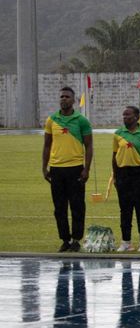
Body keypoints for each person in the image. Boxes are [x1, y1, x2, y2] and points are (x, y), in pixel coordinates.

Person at [42, 87, 93, 252]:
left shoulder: (81, 121)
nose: (63, 99)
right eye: (61, 96)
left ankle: (76, 239)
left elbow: (89, 146)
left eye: (67, 97)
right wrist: (45, 167)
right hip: (56, 169)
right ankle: (65, 239)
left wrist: (86, 169)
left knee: (77, 206)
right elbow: (47, 145)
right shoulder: (51, 120)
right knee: (59, 207)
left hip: (75, 169)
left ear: (74, 100)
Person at [113, 106, 140, 252]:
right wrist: (115, 175)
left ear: (137, 117)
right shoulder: (118, 133)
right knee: (124, 209)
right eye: (124, 115)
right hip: (122, 174)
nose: (125, 117)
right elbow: (114, 156)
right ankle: (126, 241)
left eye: (128, 115)